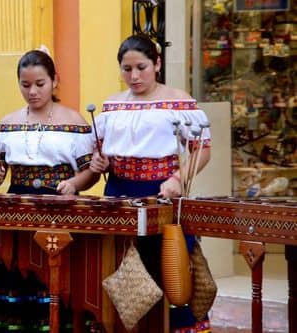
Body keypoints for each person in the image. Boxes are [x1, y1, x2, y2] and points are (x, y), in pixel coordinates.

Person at [89, 34, 212, 333]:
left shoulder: (179, 101)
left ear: (157, 64)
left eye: (141, 67)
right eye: (126, 69)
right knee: (120, 269)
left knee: (170, 268)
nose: (134, 76)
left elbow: (203, 149)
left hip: (163, 193)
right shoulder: (112, 105)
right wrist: (98, 162)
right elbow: (99, 150)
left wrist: (177, 179)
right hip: (118, 193)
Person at [0, 49, 99, 331]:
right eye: (25, 85)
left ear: (54, 81)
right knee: (17, 277)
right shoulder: (7, 123)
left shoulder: (75, 122)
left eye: (40, 84)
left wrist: (74, 184)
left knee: (56, 279)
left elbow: (91, 172)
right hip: (16, 211)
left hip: (60, 208)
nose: (32, 92)